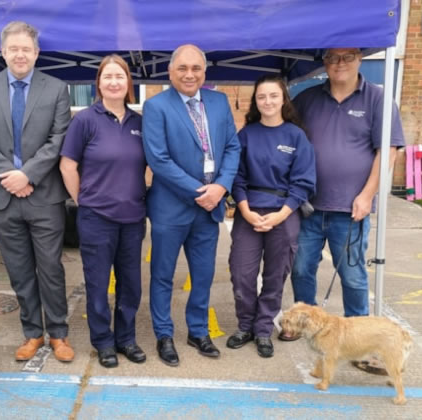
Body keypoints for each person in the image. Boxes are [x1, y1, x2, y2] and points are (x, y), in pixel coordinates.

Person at [0, 21, 74, 363]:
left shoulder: (56, 88)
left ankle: (58, 333)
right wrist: (9, 175)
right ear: (3, 51)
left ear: (36, 53)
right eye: (13, 48)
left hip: (44, 194)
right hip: (1, 196)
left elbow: (58, 139)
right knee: (19, 269)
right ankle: (32, 333)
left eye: (26, 49)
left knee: (50, 267)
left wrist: (27, 175)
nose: (20, 54)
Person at [287, 48, 405, 339]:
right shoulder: (306, 99)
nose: (340, 63)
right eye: (332, 57)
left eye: (347, 56)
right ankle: (304, 324)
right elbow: (288, 141)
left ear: (360, 59)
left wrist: (367, 195)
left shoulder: (377, 99)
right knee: (301, 270)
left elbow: (387, 152)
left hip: (351, 209)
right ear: (324, 62)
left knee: (353, 277)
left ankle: (360, 333)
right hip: (308, 207)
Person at [142, 44, 241, 367]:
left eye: (196, 68)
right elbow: (158, 159)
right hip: (171, 207)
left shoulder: (219, 101)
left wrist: (222, 186)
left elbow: (231, 147)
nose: (189, 74)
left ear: (204, 72)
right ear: (170, 72)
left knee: (203, 274)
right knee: (162, 275)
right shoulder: (156, 106)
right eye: (182, 68)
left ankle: (197, 331)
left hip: (209, 207)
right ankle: (164, 334)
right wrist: (203, 191)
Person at [59, 55, 146, 368]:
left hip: (133, 218)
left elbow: (149, 164)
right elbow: (67, 165)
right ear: (99, 83)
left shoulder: (140, 122)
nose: (114, 82)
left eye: (119, 76)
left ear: (128, 83)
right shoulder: (85, 120)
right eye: (107, 76)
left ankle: (126, 339)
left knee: (131, 284)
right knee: (97, 284)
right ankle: (103, 342)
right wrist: (82, 199)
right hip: (96, 218)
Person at [226, 75, 316, 358]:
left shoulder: (296, 136)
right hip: (248, 211)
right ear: (255, 101)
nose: (267, 101)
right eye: (262, 96)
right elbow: (236, 177)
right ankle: (245, 326)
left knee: (275, 276)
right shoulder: (246, 135)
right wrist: (245, 211)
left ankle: (264, 329)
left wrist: (281, 215)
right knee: (242, 273)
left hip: (284, 213)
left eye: (273, 96)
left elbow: (303, 182)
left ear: (283, 99)